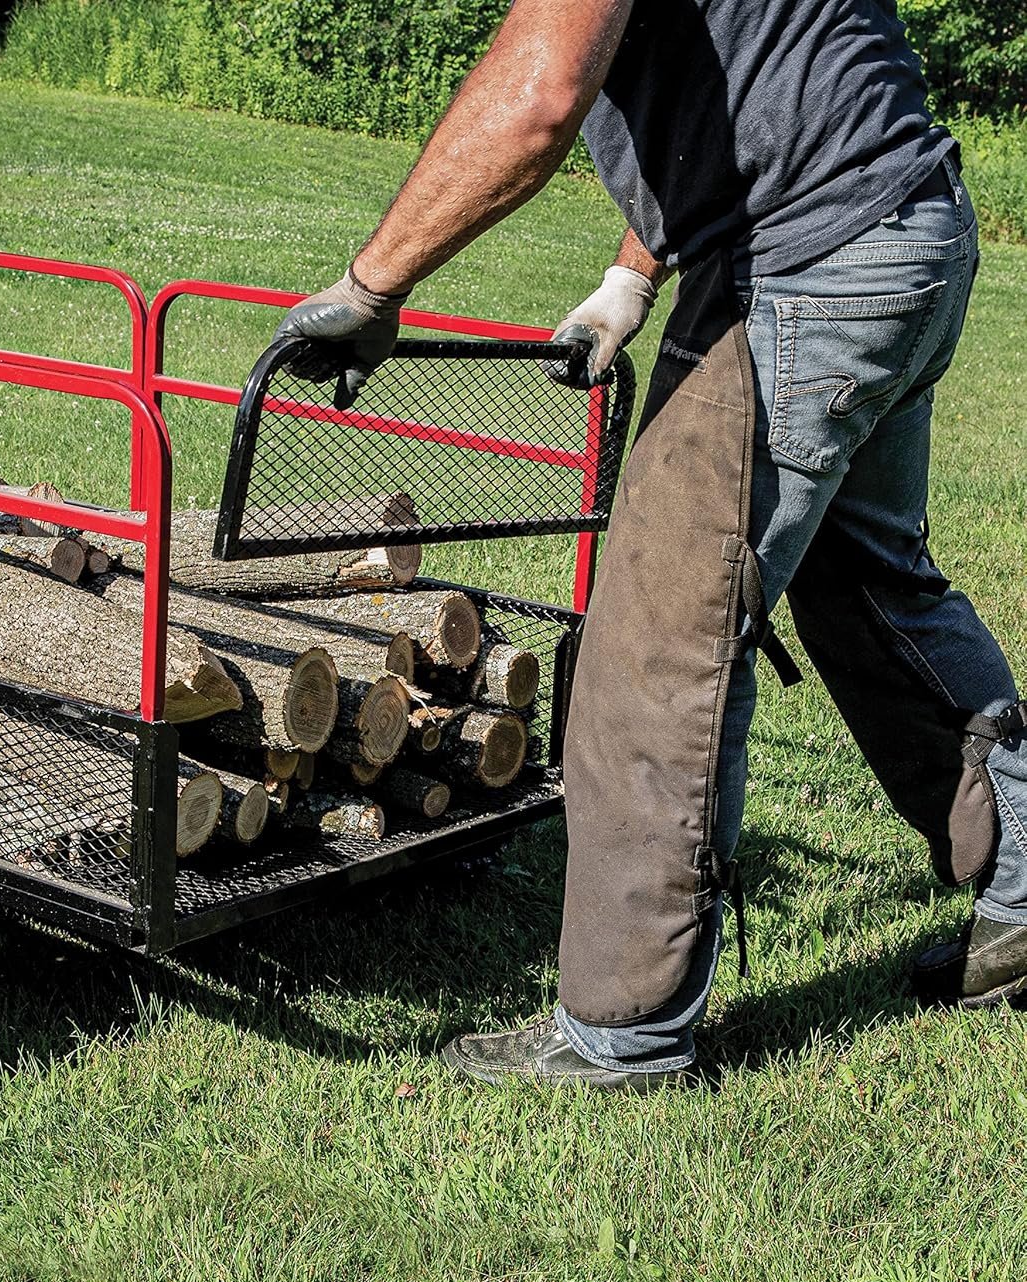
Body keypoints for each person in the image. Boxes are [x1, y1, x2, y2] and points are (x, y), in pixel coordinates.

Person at [278, 0, 1027, 1089]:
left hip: (807, 262)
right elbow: (740, 90)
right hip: (909, 226)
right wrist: (633, 277)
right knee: (873, 586)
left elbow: (539, 96)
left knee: (661, 638)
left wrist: (371, 287)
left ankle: (622, 1030)